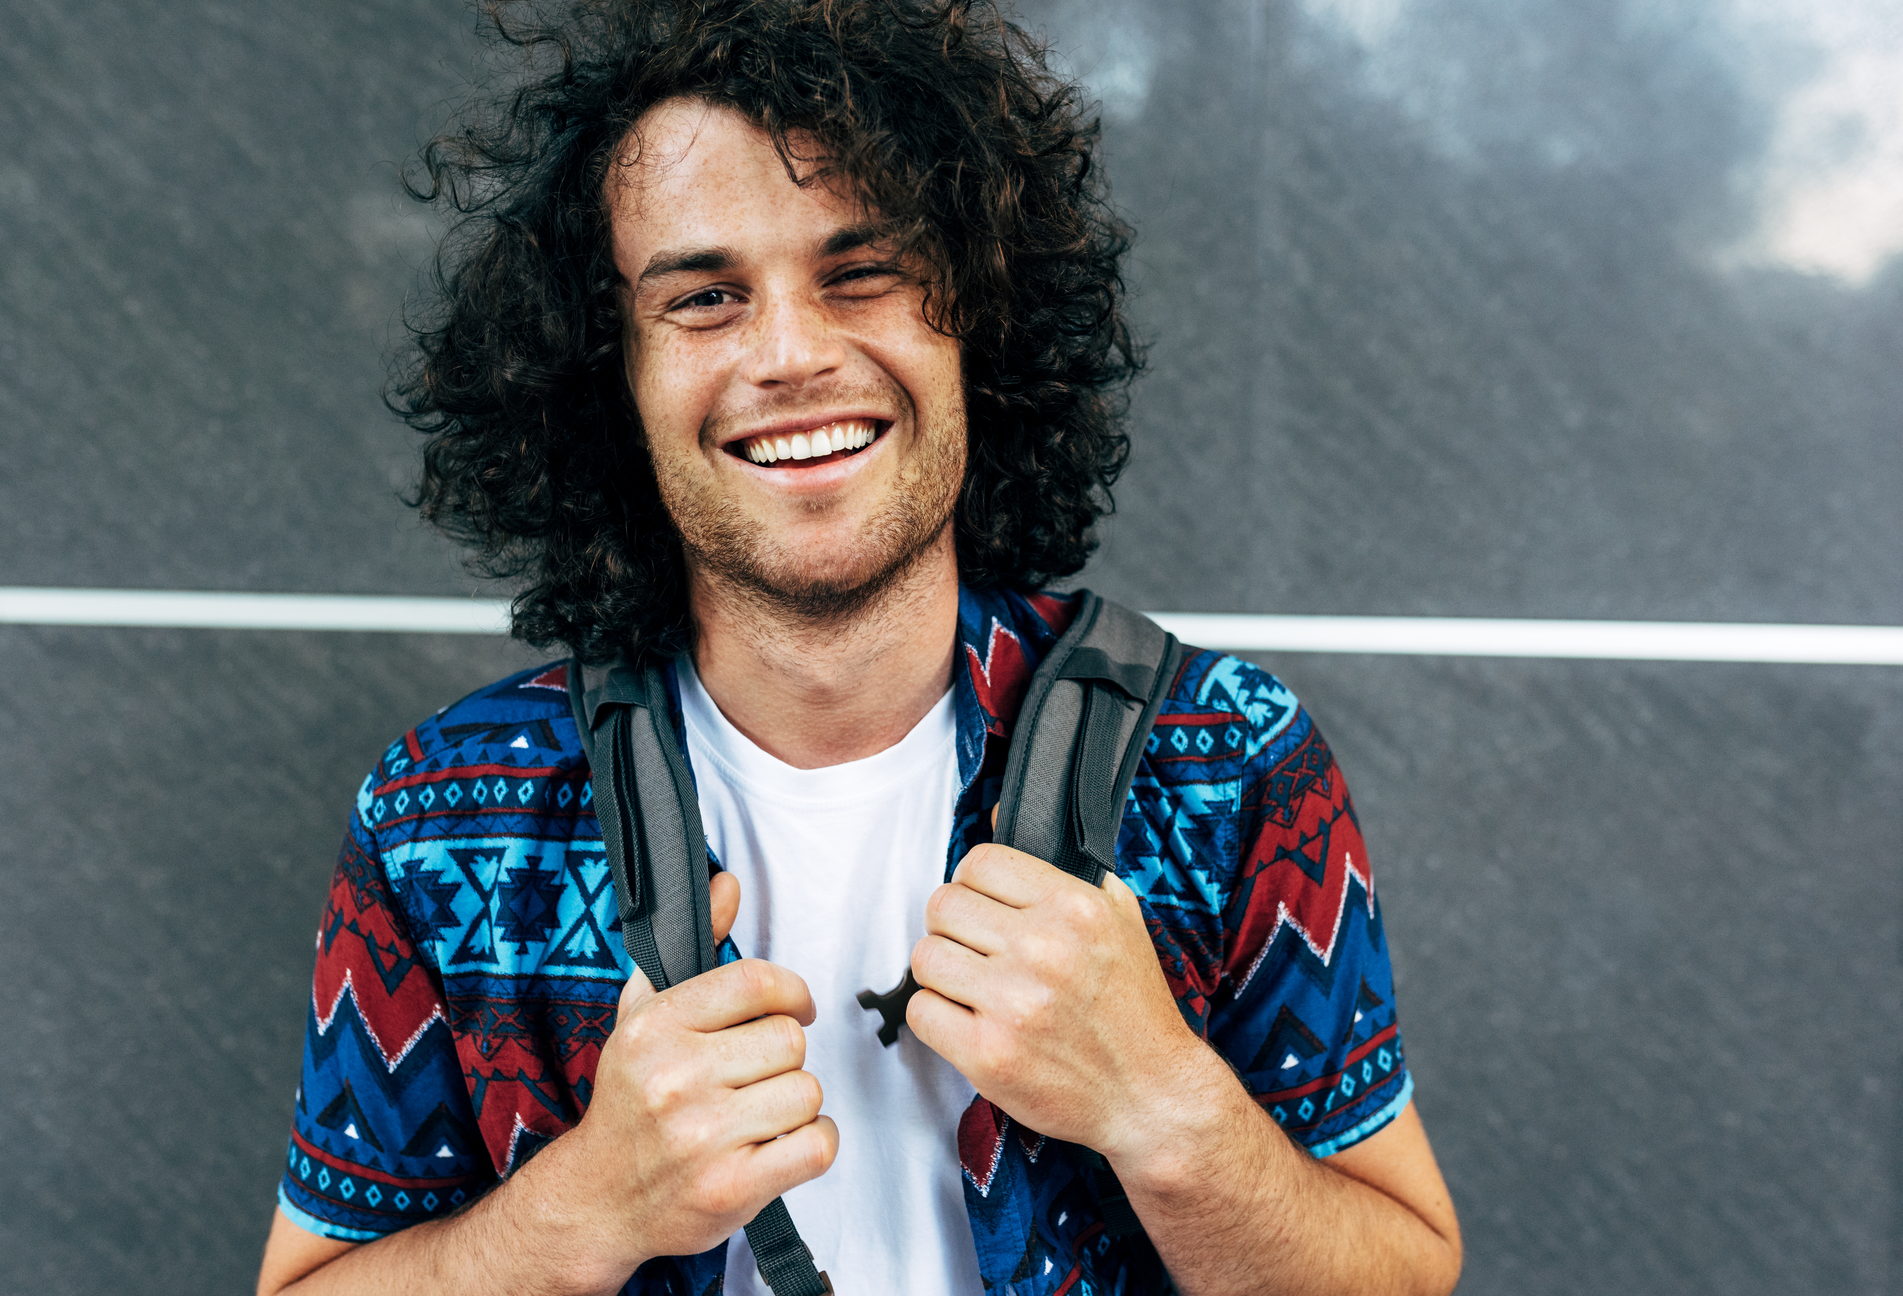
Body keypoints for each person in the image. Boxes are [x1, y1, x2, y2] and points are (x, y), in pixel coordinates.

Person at [255, 2, 1462, 1292]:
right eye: (705, 297)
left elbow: (1405, 1266)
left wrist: (1165, 1107)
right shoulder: (443, 814)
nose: (790, 354)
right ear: (607, 373)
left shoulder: (1225, 758)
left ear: (977, 320)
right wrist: (587, 1207)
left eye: (861, 272)